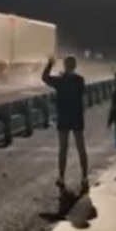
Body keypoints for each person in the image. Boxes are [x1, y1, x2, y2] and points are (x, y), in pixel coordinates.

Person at [42, 56, 88, 192]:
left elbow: (45, 78)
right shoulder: (80, 80)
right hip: (77, 116)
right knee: (81, 147)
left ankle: (61, 177)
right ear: (75, 66)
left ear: (65, 66)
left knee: (63, 149)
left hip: (64, 116)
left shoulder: (60, 81)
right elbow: (82, 98)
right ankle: (84, 177)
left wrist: (49, 64)